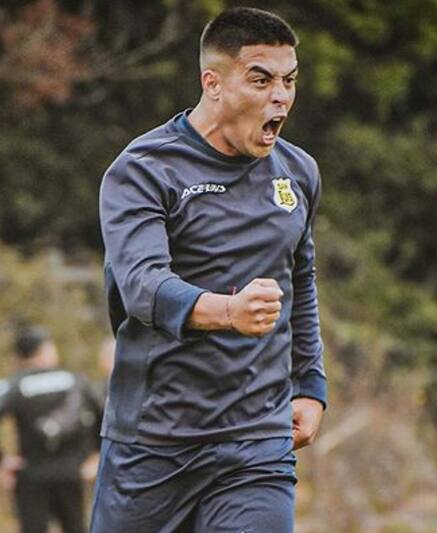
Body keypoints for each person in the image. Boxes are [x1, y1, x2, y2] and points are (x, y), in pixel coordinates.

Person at [93, 7, 327, 532]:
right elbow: (142, 287)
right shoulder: (144, 170)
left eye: (289, 81)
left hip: (255, 441)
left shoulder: (298, 172)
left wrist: (310, 385)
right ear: (213, 83)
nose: (280, 97)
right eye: (261, 79)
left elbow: (301, 283)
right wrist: (228, 311)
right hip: (154, 440)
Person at [0, 326, 104, 533]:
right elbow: (102, 413)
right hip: (71, 472)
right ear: (46, 349)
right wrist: (97, 455)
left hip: (31, 474)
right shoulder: (74, 380)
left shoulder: (14, 385)